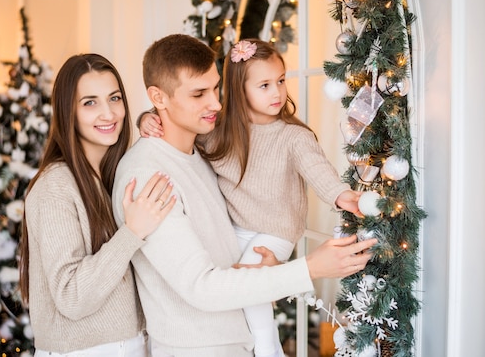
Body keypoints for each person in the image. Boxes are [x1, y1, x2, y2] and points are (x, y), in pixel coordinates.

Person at [112, 34, 376, 357]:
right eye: (199, 94)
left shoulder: (199, 149)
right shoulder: (148, 177)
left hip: (236, 341)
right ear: (158, 97)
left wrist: (276, 266)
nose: (216, 104)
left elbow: (314, 170)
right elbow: (202, 286)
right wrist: (308, 269)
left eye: (215, 88)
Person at [18, 53, 176, 357]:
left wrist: (149, 121)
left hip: (132, 346)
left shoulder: (112, 175)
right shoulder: (55, 186)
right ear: (68, 113)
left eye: (114, 98)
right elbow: (71, 296)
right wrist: (132, 232)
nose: (109, 113)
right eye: (90, 102)